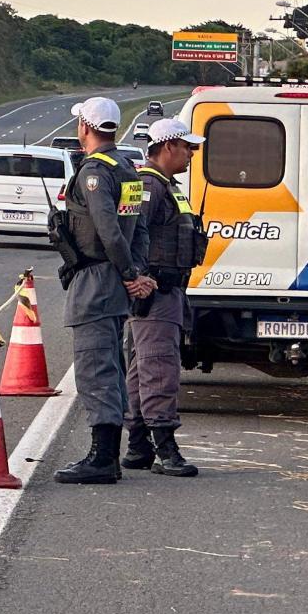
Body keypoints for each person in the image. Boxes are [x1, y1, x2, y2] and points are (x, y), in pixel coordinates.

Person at [54, 97, 154, 484]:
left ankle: (103, 458)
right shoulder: (128, 168)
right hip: (116, 281)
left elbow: (108, 229)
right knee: (111, 366)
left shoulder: (95, 171)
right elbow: (139, 228)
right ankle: (108, 454)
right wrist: (136, 272)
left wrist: (130, 273)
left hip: (97, 279)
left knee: (96, 369)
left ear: (85, 126)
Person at [121, 119, 205, 479]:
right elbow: (129, 235)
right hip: (155, 292)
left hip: (162, 290)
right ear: (169, 146)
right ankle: (164, 448)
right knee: (159, 367)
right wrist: (138, 279)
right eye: (188, 147)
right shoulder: (149, 187)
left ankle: (139, 445)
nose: (191, 154)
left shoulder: (164, 186)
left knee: (143, 368)